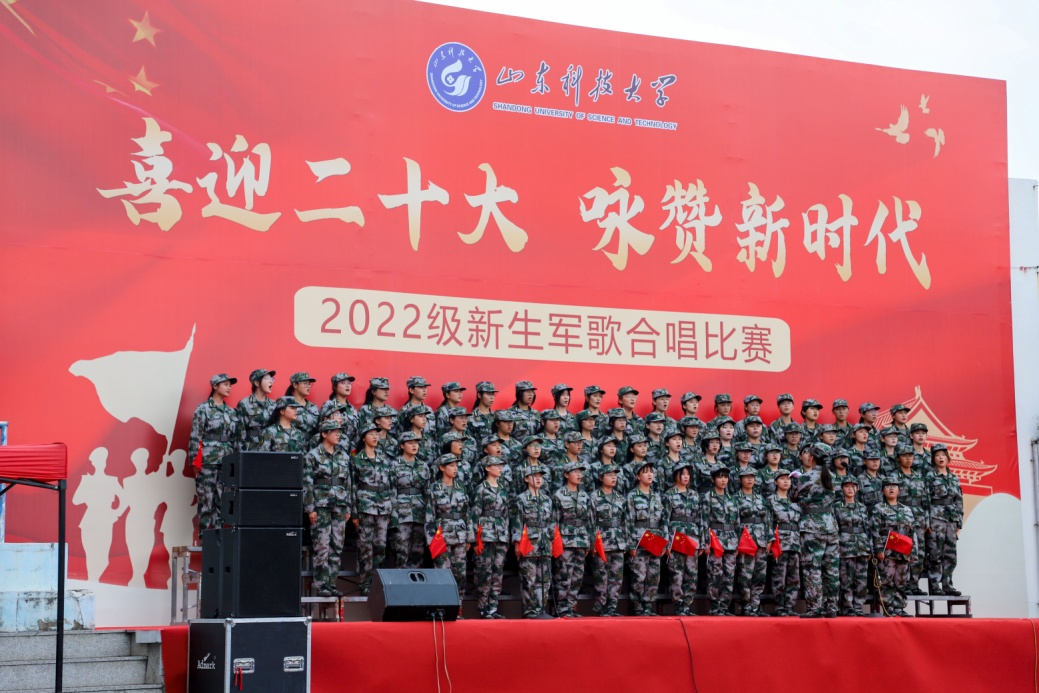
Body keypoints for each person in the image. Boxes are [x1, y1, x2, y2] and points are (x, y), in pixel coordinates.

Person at [304, 420, 353, 597]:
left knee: (337, 545)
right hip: (321, 505)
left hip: (339, 505)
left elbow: (348, 483)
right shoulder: (312, 455)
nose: (338, 434)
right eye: (334, 431)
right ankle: (321, 584)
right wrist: (310, 508)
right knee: (322, 545)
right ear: (324, 434)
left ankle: (332, 583)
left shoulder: (343, 455)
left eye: (339, 431)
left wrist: (348, 506)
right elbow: (307, 483)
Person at [792, 443, 840, 618]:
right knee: (831, 569)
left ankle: (815, 607)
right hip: (830, 525)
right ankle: (832, 607)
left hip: (812, 526)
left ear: (811, 458)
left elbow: (794, 497)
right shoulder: (834, 477)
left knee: (812, 568)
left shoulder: (805, 477)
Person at [189, 374, 239, 531]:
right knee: (206, 499)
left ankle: (219, 536)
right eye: (225, 384)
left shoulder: (231, 412)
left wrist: (235, 462)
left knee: (223, 500)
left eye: (230, 385)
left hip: (226, 461)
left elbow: (235, 438)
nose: (229, 387)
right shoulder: (203, 409)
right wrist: (194, 461)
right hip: (207, 461)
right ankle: (205, 537)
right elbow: (195, 435)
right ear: (215, 386)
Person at [351, 421, 396, 595]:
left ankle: (377, 583)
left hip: (383, 507)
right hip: (365, 507)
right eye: (371, 434)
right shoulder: (357, 459)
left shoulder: (384, 459)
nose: (375, 436)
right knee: (365, 547)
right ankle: (365, 583)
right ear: (364, 438)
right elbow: (352, 486)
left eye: (377, 434)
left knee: (380, 546)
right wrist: (354, 513)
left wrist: (391, 508)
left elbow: (391, 485)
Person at [425, 454, 474, 600]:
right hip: (442, 536)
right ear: (442, 468)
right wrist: (431, 540)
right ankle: (443, 604)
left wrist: (469, 537)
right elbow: (430, 515)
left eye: (456, 466)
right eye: (451, 465)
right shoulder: (435, 488)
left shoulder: (461, 487)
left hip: (460, 535)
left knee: (460, 573)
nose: (455, 469)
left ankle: (458, 605)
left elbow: (467, 513)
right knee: (442, 573)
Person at [511, 465, 555, 619]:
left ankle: (540, 609)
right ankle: (530, 611)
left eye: (540, 476)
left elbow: (552, 522)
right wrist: (517, 543)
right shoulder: (521, 499)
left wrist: (551, 539)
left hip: (544, 542)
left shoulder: (547, 499)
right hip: (528, 542)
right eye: (534, 476)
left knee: (544, 580)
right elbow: (517, 522)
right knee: (529, 579)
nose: (538, 479)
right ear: (526, 479)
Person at [470, 455, 510, 618]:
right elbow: (475, 514)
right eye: (496, 465)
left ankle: (493, 607)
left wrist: (506, 535)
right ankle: (483, 608)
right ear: (487, 468)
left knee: (497, 572)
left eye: (501, 466)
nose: (500, 468)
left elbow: (506, 514)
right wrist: (474, 538)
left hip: (500, 535)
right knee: (484, 572)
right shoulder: (481, 488)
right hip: (485, 535)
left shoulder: (503, 488)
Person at [626, 460, 667, 616]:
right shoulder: (632, 496)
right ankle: (638, 607)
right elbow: (628, 521)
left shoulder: (656, 496)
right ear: (638, 476)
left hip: (655, 540)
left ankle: (648, 606)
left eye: (651, 472)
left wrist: (664, 543)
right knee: (639, 575)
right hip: (639, 540)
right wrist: (631, 545)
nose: (650, 474)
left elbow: (663, 521)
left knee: (653, 576)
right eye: (645, 472)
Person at [552, 460, 593, 618]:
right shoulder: (559, 495)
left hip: (581, 539)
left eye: (580, 472)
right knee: (564, 575)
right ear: (566, 475)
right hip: (566, 540)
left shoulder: (584, 496)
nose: (579, 475)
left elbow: (589, 521)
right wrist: (556, 542)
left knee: (577, 576)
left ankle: (571, 606)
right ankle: (562, 608)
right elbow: (555, 521)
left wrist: (589, 542)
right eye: (575, 472)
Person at [871, 477, 916, 616]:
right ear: (882, 491)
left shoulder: (907, 510)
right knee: (887, 579)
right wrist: (878, 549)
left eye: (894, 486)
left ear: (899, 490)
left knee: (901, 580)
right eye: (888, 486)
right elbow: (875, 530)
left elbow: (912, 532)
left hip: (903, 551)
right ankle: (888, 607)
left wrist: (913, 552)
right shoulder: (879, 508)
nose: (891, 489)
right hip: (887, 551)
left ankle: (899, 607)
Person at [664, 461, 704, 616]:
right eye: (683, 474)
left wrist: (702, 541)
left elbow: (700, 519)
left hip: (692, 537)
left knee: (691, 573)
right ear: (676, 476)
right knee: (676, 573)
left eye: (688, 474)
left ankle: (687, 605)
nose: (686, 477)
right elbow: (665, 520)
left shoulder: (694, 495)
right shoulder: (669, 494)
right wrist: (667, 542)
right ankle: (678, 605)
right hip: (676, 537)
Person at [589, 463, 628, 617]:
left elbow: (625, 521)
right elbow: (591, 521)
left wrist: (626, 541)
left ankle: (611, 607)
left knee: (616, 578)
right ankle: (600, 607)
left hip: (618, 541)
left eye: (615, 475)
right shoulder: (594, 496)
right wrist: (592, 542)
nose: (613, 478)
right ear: (601, 478)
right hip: (602, 542)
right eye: (609, 475)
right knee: (601, 577)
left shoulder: (620, 497)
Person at [388, 431, 431, 570]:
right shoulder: (394, 465)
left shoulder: (423, 465)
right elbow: (391, 491)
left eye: (416, 443)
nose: (414, 446)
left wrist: (428, 516)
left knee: (418, 552)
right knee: (401, 551)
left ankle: (415, 580)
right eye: (410, 443)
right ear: (402, 445)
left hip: (419, 513)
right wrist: (393, 516)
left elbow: (427, 492)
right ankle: (400, 581)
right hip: (402, 514)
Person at [926, 443, 963, 595]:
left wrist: (959, 521)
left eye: (943, 455)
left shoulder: (954, 477)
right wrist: (927, 521)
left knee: (950, 554)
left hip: (951, 519)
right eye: (937, 455)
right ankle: (935, 586)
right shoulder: (930, 476)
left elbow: (959, 500)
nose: (940, 458)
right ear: (933, 459)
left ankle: (948, 585)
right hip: (936, 518)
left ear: (947, 458)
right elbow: (926, 500)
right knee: (935, 553)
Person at [703, 465, 739, 615]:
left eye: (725, 477)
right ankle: (714, 606)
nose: (723, 480)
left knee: (729, 575)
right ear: (713, 479)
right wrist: (706, 542)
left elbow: (737, 522)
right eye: (719, 477)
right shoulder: (708, 497)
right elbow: (704, 521)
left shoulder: (732, 498)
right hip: (715, 540)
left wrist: (737, 542)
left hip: (731, 540)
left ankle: (724, 606)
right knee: (715, 574)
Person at [893, 444, 929, 595]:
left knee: (918, 553)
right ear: (898, 458)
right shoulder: (894, 477)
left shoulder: (919, 475)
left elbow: (926, 500)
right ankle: (902, 585)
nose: (908, 458)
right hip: (901, 519)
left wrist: (927, 520)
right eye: (904, 456)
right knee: (901, 552)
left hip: (918, 519)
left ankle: (914, 584)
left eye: (910, 456)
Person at [734, 466, 770, 616]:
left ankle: (755, 606)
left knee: (760, 575)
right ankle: (746, 606)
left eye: (752, 477)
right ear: (740, 479)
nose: (750, 480)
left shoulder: (760, 498)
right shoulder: (735, 498)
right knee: (745, 575)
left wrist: (769, 539)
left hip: (761, 539)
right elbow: (734, 521)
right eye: (746, 477)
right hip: (745, 539)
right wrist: (736, 541)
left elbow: (767, 519)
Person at [766, 469, 801, 616]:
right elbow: (768, 522)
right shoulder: (771, 500)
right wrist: (770, 540)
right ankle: (780, 607)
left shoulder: (794, 500)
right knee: (779, 576)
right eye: (782, 478)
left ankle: (790, 606)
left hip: (794, 542)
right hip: (780, 542)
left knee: (794, 577)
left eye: (788, 479)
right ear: (775, 482)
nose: (786, 481)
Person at [834, 476, 870, 616]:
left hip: (862, 546)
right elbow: (835, 527)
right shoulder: (837, 506)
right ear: (842, 489)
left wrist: (869, 548)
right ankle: (847, 607)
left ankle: (858, 606)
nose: (850, 489)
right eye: (847, 486)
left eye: (853, 486)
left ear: (858, 488)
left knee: (861, 579)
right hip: (845, 546)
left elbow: (868, 528)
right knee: (846, 579)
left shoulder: (862, 507)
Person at [237, 369, 276, 450]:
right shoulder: (244, 404)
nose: (271, 381)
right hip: (251, 448)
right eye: (267, 378)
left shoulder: (274, 404)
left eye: (271, 379)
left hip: (270, 448)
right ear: (257, 383)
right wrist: (241, 452)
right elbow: (240, 431)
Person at [321, 372, 358, 452]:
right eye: (343, 383)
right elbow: (321, 428)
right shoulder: (329, 405)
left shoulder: (352, 409)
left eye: (349, 383)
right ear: (335, 386)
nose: (347, 385)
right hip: (334, 450)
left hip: (350, 451)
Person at [286, 372, 320, 441]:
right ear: (295, 385)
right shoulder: (287, 406)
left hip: (311, 445)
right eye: (305, 383)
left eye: (309, 384)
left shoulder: (313, 407)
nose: (308, 386)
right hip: (293, 444)